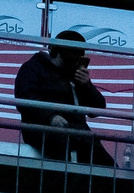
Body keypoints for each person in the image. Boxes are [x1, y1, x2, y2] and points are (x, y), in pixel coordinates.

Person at [12, 31, 111, 165]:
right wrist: (50, 116)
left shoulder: (73, 73)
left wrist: (86, 85)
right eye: (68, 59)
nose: (71, 64)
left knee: (106, 164)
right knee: (62, 159)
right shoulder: (33, 67)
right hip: (44, 129)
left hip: (77, 132)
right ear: (56, 52)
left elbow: (97, 108)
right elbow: (25, 98)